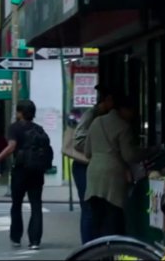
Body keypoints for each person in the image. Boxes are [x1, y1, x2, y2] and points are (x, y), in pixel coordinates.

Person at [0, 100, 48, 250]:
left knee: (16, 205)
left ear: (20, 112)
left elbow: (11, 147)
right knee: (36, 205)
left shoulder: (14, 128)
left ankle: (16, 237)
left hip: (20, 170)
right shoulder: (39, 129)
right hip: (37, 171)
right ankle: (35, 241)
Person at [83, 96, 151, 239]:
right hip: (112, 174)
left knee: (96, 215)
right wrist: (147, 151)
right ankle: (111, 250)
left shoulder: (96, 122)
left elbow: (87, 151)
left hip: (93, 171)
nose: (133, 115)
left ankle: (96, 250)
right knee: (113, 214)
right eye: (132, 111)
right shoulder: (123, 126)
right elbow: (129, 156)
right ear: (124, 110)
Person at [63, 85, 115, 244]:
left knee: (96, 209)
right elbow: (77, 142)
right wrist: (97, 153)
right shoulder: (91, 115)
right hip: (83, 166)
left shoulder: (103, 117)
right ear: (106, 100)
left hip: (91, 166)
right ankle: (88, 247)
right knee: (89, 209)